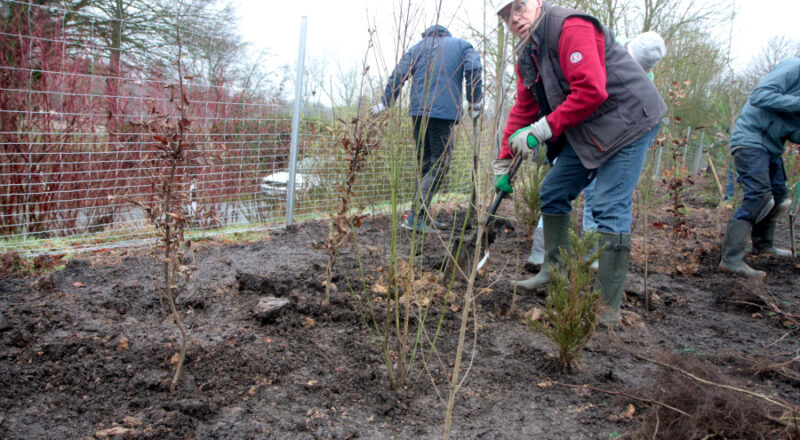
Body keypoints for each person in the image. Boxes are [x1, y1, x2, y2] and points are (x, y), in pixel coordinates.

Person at [494, 0, 667, 323]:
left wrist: (541, 131)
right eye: (506, 14)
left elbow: (591, 90)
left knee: (608, 205)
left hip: (629, 119)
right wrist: (504, 161)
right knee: (553, 190)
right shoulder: (528, 54)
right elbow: (523, 108)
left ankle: (606, 308)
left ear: (538, 3)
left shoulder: (569, 27)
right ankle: (554, 271)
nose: (514, 18)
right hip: (590, 125)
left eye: (519, 7)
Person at [527, 30, 667, 268]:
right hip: (580, 129)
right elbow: (576, 97)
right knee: (555, 188)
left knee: (604, 201)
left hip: (615, 137)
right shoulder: (599, 53)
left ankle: (592, 258)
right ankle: (545, 256)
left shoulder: (643, 87)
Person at [371, 25, 483, 233]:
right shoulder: (461, 45)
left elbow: (398, 74)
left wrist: (386, 101)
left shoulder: (417, 48)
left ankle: (417, 216)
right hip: (443, 114)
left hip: (417, 113)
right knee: (440, 164)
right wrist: (474, 100)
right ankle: (416, 216)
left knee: (425, 164)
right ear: (446, 34)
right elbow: (474, 67)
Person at [718, 55, 800, 278]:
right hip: (751, 140)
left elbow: (793, 131)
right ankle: (731, 259)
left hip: (771, 146)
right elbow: (760, 96)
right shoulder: (794, 67)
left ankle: (764, 245)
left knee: (781, 198)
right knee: (759, 198)